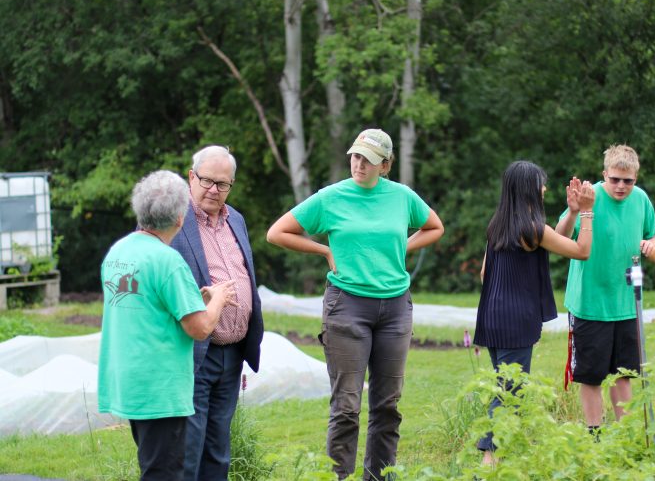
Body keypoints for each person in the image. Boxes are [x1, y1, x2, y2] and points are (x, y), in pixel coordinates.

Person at [266, 128, 444, 480]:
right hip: (347, 307)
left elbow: (435, 226)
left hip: (394, 309)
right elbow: (277, 233)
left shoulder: (402, 197)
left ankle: (378, 477)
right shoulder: (331, 198)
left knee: (387, 406)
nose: (359, 164)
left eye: (369, 159)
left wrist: (398, 249)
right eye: (355, 156)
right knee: (346, 407)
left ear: (386, 165)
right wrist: (323, 249)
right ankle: (339, 478)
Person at [98, 170, 236, 481]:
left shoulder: (119, 253)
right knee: (164, 474)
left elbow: (146, 305)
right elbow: (200, 328)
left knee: (153, 466)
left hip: (130, 383)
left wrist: (188, 298)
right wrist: (219, 298)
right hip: (161, 389)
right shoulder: (169, 261)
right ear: (179, 217)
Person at [473, 161, 595, 465]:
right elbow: (581, 251)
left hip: (491, 317)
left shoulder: (499, 224)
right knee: (509, 396)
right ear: (529, 188)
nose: (544, 189)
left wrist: (572, 213)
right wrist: (589, 212)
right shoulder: (532, 229)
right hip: (516, 320)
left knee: (506, 389)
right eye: (541, 183)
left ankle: (504, 461)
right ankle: (488, 466)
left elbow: (485, 272)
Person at [169, 146, 265, 481]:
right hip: (194, 350)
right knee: (188, 450)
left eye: (222, 184)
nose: (214, 190)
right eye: (208, 181)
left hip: (233, 352)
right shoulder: (171, 220)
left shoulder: (235, 219)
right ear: (191, 177)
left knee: (218, 450)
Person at [555, 144, 655, 436]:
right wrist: (575, 211)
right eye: (615, 179)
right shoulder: (591, 197)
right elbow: (559, 236)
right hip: (590, 302)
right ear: (604, 175)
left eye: (628, 181)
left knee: (624, 373)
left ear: (636, 178)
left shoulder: (641, 200)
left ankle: (625, 435)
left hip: (627, 302)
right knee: (592, 375)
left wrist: (653, 244)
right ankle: (594, 434)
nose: (621, 186)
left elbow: (653, 234)